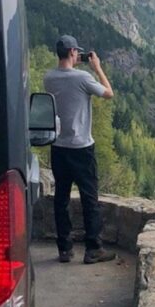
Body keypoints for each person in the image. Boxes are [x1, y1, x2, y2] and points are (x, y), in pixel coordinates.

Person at [42, 35, 116, 264]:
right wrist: (97, 68)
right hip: (82, 147)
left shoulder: (49, 78)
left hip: (58, 146)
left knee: (61, 198)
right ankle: (93, 248)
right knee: (89, 198)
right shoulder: (83, 77)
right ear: (74, 52)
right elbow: (108, 93)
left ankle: (64, 249)